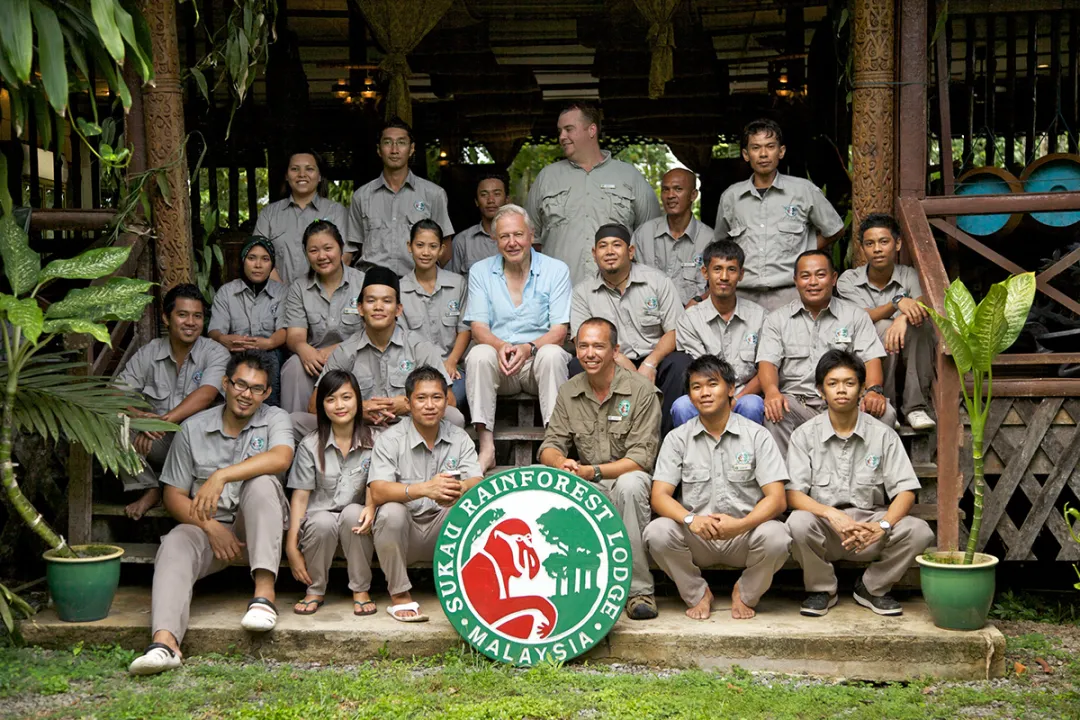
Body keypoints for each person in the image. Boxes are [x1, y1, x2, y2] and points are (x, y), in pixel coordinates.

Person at [128, 351, 294, 676]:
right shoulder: (193, 428)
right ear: (225, 384)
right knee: (176, 540)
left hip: (256, 532)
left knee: (261, 482)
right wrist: (209, 526)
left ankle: (263, 596)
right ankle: (165, 643)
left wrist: (222, 475)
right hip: (209, 533)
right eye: (240, 385)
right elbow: (173, 495)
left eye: (257, 389)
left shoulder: (275, 419)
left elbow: (281, 458)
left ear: (267, 393)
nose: (247, 395)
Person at [785, 350, 934, 617]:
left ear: (862, 389)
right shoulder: (804, 435)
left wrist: (882, 525)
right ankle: (822, 589)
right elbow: (794, 494)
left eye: (849, 383)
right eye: (832, 383)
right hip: (827, 528)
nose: (841, 390)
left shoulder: (884, 435)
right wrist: (831, 514)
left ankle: (871, 587)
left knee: (919, 530)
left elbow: (906, 492)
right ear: (820, 391)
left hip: (870, 528)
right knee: (797, 522)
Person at [644, 355, 791, 621]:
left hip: (744, 536)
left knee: (778, 536)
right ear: (689, 396)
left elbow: (777, 499)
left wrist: (742, 525)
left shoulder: (757, 435)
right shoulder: (678, 438)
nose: (705, 393)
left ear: (731, 389)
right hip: (697, 535)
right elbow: (659, 496)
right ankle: (698, 593)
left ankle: (745, 592)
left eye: (712, 384)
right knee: (657, 532)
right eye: (696, 387)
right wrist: (692, 520)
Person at [537, 317, 663, 620]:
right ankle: (572, 591)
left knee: (630, 486)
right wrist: (560, 462)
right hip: (588, 480)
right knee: (553, 484)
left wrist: (591, 471)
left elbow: (641, 459)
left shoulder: (641, 391)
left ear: (615, 350)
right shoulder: (570, 390)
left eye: (598, 346)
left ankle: (638, 591)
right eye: (583, 346)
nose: (589, 353)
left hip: (627, 477)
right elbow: (550, 445)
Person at [369, 365, 483, 622]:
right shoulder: (390, 439)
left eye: (436, 397)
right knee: (389, 511)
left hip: (443, 533)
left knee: (470, 505)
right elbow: (377, 491)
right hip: (402, 536)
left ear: (446, 402)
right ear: (408, 403)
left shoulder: (459, 437)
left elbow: (477, 479)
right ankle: (399, 595)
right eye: (421, 398)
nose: (429, 405)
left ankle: (470, 588)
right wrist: (425, 489)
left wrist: (458, 488)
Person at [464, 204, 573, 472]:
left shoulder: (556, 270)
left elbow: (560, 330)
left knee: (552, 354)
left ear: (531, 234)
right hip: (500, 365)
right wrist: (500, 346)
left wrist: (528, 348)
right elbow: (478, 327)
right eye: (504, 236)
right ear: (494, 239)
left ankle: (553, 447)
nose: (512, 243)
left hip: (538, 363)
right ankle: (487, 447)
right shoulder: (480, 271)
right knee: (478, 354)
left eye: (518, 235)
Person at [294, 266, 463, 437]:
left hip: (410, 431)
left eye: (387, 301)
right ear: (360, 308)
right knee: (295, 422)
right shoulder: (345, 351)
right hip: (359, 431)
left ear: (398, 309)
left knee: (453, 417)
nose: (378, 307)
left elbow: (450, 401)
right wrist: (358, 409)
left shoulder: (419, 347)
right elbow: (314, 406)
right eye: (371, 301)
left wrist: (408, 404)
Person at [757, 250, 895, 457]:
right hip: (799, 403)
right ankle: (787, 484)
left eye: (820, 275)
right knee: (775, 412)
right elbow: (768, 363)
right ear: (796, 281)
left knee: (885, 413)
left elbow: (871, 359)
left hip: (847, 401)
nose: (813, 282)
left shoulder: (855, 316)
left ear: (833, 279)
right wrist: (771, 392)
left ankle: (866, 480)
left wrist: (874, 390)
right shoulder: (777, 320)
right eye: (805, 276)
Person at [117, 283, 230, 520]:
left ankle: (177, 489)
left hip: (200, 445)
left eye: (197, 316)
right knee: (110, 423)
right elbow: (114, 395)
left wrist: (161, 422)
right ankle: (149, 488)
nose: (191, 322)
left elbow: (207, 393)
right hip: (160, 442)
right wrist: (141, 420)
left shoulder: (216, 352)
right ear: (166, 319)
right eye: (182, 314)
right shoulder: (149, 352)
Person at [713, 119, 845, 312]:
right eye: (756, 147)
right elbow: (720, 244)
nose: (764, 154)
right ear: (746, 154)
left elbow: (835, 229)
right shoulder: (731, 197)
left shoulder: (803, 191)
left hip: (791, 294)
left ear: (781, 152)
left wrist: (807, 248)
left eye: (770, 147)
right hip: (743, 296)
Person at [570, 222, 688, 435]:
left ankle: (662, 439)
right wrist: (621, 362)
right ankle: (597, 439)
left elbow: (675, 331)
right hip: (611, 361)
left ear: (631, 251)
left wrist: (650, 364)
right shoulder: (583, 292)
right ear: (594, 254)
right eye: (603, 246)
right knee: (577, 366)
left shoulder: (657, 282)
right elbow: (580, 341)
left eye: (617, 245)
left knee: (681, 363)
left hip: (654, 360)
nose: (609, 252)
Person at [526, 102, 661, 286]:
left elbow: (650, 238)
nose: (562, 137)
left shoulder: (630, 177)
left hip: (618, 296)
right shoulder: (546, 178)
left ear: (591, 130)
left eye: (568, 129)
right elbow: (529, 240)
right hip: (560, 295)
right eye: (560, 131)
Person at [286, 370, 377, 617]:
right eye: (330, 399)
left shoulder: (376, 441)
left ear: (358, 400)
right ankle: (315, 589)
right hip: (318, 522)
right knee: (323, 520)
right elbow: (301, 496)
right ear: (321, 405)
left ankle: (360, 589)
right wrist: (291, 544)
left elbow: (376, 487)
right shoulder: (309, 444)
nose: (340, 405)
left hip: (357, 520)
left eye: (346, 397)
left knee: (353, 514)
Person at [836, 213, 936, 431]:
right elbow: (861, 317)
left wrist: (902, 318)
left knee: (919, 323)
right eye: (870, 244)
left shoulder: (909, 274)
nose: (877, 249)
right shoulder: (849, 280)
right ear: (862, 248)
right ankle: (885, 403)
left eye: (884, 242)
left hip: (909, 355)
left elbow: (922, 304)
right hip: (866, 360)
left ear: (897, 244)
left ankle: (915, 408)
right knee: (879, 326)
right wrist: (897, 303)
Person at [671, 240, 767, 427]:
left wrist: (736, 398)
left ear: (741, 274)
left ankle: (748, 456)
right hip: (706, 395)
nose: (724, 276)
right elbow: (698, 372)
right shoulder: (690, 319)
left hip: (744, 394)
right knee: (681, 406)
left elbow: (765, 369)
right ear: (705, 273)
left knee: (753, 405)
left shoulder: (760, 316)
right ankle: (692, 456)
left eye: (731, 269)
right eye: (717, 269)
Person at [346, 117, 453, 276]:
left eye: (401, 143)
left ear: (411, 149)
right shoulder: (362, 196)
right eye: (388, 142)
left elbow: (445, 247)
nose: (394, 150)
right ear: (379, 149)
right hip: (373, 285)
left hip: (417, 284)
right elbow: (354, 248)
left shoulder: (433, 194)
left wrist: (426, 279)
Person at [280, 220, 366, 414]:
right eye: (313, 251)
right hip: (316, 359)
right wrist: (303, 348)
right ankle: (298, 430)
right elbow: (295, 335)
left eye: (328, 248)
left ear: (341, 248)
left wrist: (338, 350)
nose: (322, 256)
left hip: (356, 354)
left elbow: (374, 329)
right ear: (306, 253)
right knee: (294, 366)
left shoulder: (363, 282)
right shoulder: (299, 287)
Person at [400, 219, 470, 412]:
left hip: (452, 368)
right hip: (413, 372)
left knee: (453, 398)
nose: (425, 252)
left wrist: (452, 361)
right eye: (420, 245)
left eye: (432, 246)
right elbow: (403, 340)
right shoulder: (399, 290)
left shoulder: (457, 284)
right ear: (410, 247)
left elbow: (464, 329)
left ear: (442, 249)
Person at [255, 150, 354, 286]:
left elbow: (346, 256)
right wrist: (282, 294)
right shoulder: (269, 214)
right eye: (295, 169)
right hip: (278, 298)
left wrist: (317, 292)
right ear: (286, 175)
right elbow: (259, 256)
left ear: (319, 176)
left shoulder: (337, 212)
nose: (302, 175)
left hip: (324, 296)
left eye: (309, 169)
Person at [209, 236, 287, 406]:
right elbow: (214, 330)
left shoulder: (282, 293)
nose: (258, 265)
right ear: (243, 261)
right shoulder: (226, 292)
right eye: (252, 258)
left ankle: (267, 411)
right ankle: (227, 411)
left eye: (265, 259)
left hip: (270, 351)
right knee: (220, 356)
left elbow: (284, 330)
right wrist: (223, 339)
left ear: (272, 265)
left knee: (271, 360)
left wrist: (270, 342)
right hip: (235, 351)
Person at [631, 168, 714, 305]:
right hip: (648, 316)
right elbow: (627, 278)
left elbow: (720, 285)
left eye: (678, 189)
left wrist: (698, 300)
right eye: (665, 189)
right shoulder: (643, 234)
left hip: (692, 318)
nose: (670, 195)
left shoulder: (709, 239)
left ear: (693, 195)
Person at [446, 171, 509, 275]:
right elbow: (451, 283)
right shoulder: (462, 241)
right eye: (484, 195)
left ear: (507, 199)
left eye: (497, 194)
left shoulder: (517, 240)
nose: (491, 200)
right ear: (476, 201)